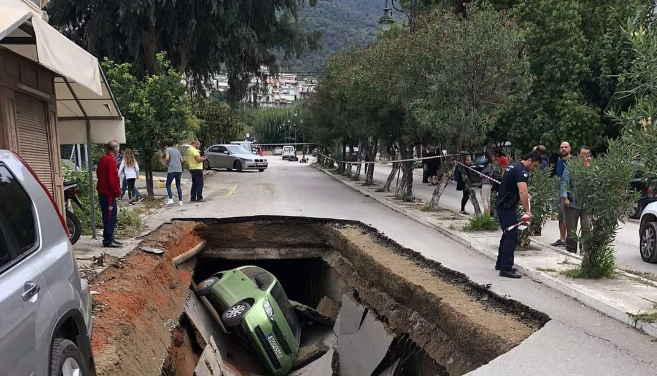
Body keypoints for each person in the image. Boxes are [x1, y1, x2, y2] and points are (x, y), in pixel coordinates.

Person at [495, 152, 541, 278]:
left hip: (503, 204)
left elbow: (513, 187)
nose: (534, 169)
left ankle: (501, 263)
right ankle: (506, 268)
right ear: (530, 160)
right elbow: (522, 190)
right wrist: (527, 211)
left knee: (507, 233)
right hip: (506, 207)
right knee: (512, 235)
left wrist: (524, 195)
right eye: (535, 166)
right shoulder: (521, 171)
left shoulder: (514, 166)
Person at [561, 145, 592, 254]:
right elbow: (564, 182)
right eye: (583, 154)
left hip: (586, 203)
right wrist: (565, 198)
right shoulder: (571, 166)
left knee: (587, 227)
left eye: (587, 155)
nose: (585, 157)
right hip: (572, 202)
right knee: (571, 229)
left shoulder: (592, 167)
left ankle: (585, 250)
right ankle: (571, 250)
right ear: (578, 155)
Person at [97, 141, 122, 248]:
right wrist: (117, 192)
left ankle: (110, 237)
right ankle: (108, 240)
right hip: (108, 194)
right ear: (116, 150)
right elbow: (112, 180)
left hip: (104, 192)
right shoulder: (110, 161)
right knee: (110, 216)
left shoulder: (103, 159)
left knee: (109, 215)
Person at [551, 142, 571, 247]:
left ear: (570, 148)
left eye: (565, 147)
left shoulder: (573, 161)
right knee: (561, 217)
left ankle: (569, 239)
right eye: (562, 147)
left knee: (570, 218)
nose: (563, 149)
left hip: (570, 193)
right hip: (559, 193)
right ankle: (562, 239)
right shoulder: (558, 162)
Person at [164, 140, 184, 206]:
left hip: (172, 169)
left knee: (168, 184)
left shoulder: (167, 150)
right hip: (179, 169)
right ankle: (180, 201)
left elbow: (167, 158)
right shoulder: (177, 150)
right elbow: (182, 160)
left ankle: (170, 199)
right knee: (178, 185)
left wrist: (167, 164)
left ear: (166, 145)